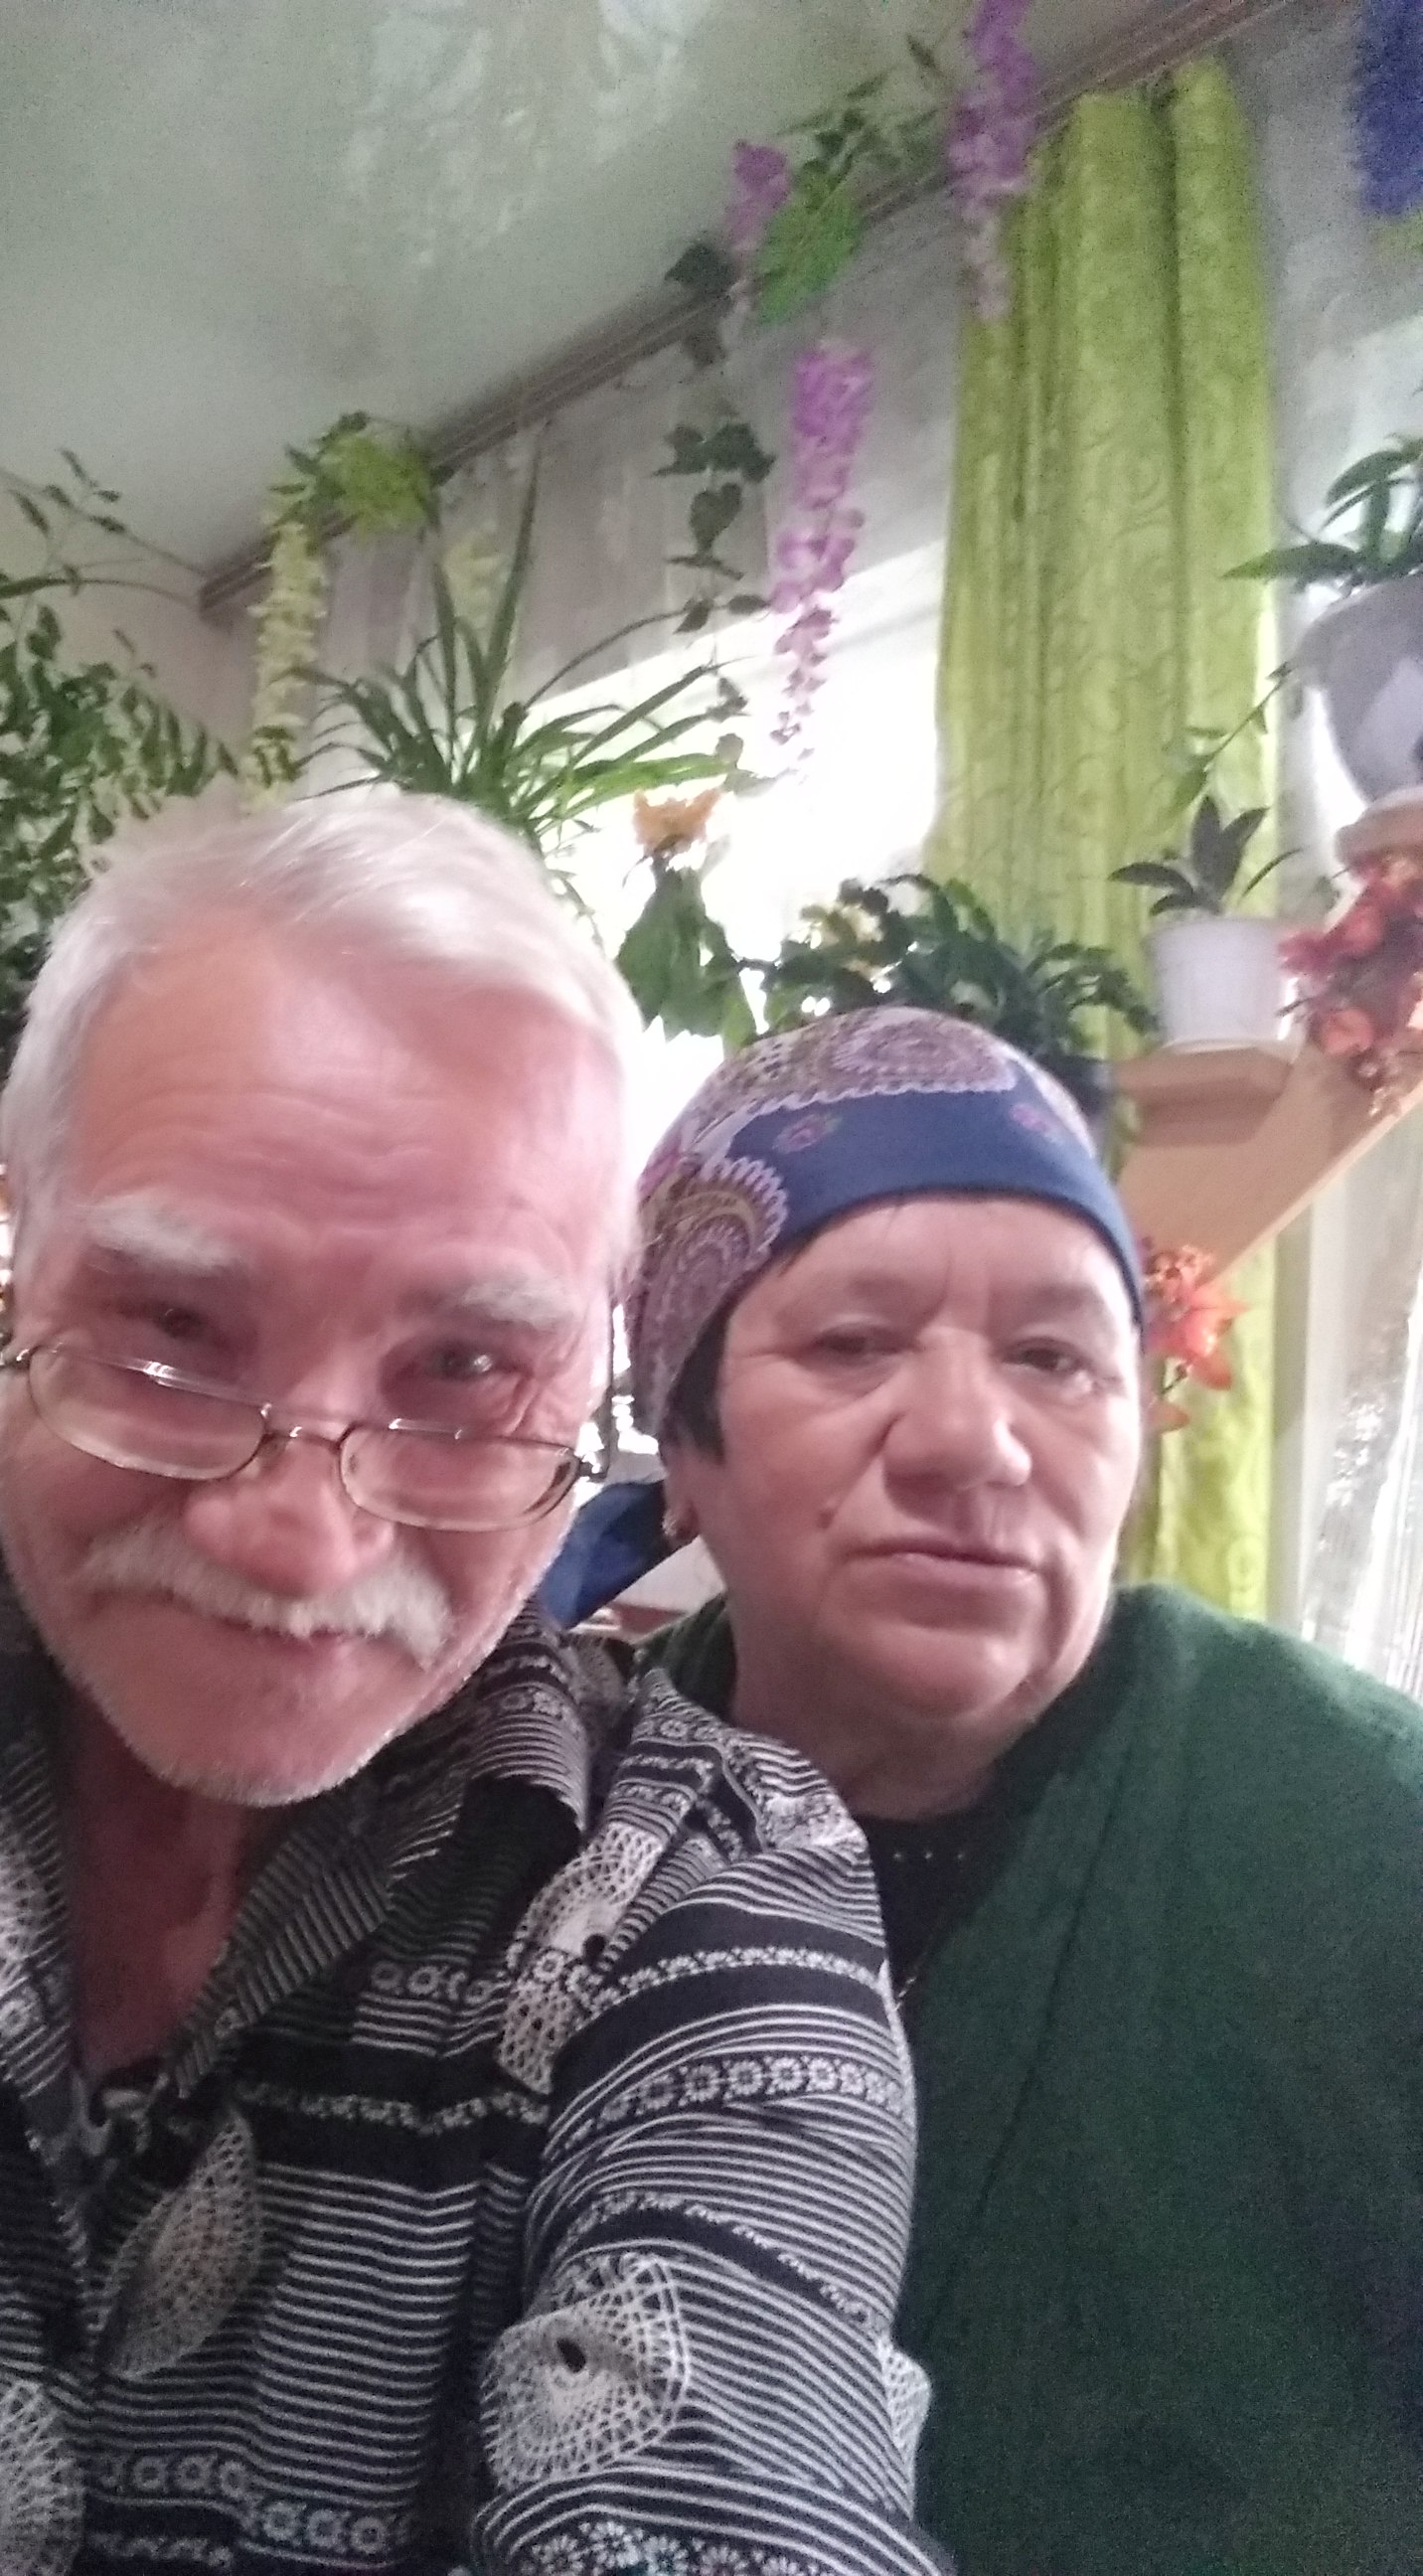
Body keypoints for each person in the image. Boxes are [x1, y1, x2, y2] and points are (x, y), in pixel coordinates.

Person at [0, 794, 943, 2576]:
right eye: (174, 1331)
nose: (301, 1546)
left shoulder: (699, 1880)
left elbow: (738, 2477)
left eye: (465, 1370)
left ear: (589, 1386)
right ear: (20, 1256)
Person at [601, 1002, 1423, 2576]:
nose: (974, 1442)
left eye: (1056, 1358)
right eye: (853, 1344)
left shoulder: (1358, 1842)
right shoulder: (542, 1845)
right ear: (683, 1446)